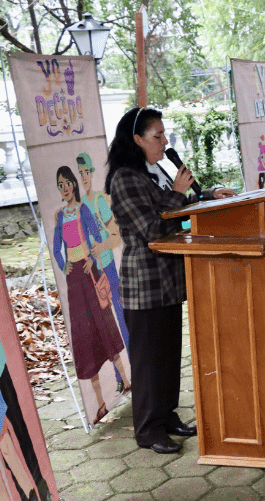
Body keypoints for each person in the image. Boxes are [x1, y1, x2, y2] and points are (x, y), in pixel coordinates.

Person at [106, 106, 236, 454]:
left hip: (166, 280)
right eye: (157, 136)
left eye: (164, 134)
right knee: (149, 361)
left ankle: (166, 417)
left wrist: (205, 196)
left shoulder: (149, 173)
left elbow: (170, 208)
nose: (165, 142)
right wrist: (180, 194)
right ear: (136, 139)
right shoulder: (124, 178)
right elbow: (152, 228)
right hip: (144, 282)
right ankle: (148, 430)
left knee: (167, 355)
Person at [53, 166, 130, 422]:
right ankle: (99, 404)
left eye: (67, 184)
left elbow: (97, 235)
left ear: (74, 185)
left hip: (90, 274)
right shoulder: (59, 216)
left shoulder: (83, 209)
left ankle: (127, 381)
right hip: (74, 282)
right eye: (60, 185)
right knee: (85, 339)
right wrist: (65, 265)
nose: (64, 189)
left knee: (105, 326)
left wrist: (91, 257)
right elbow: (56, 248)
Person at [75, 152, 128, 391]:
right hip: (91, 273)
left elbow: (116, 236)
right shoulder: (77, 207)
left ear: (92, 173)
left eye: (87, 172)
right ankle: (119, 376)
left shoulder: (99, 201)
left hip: (107, 266)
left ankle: (134, 367)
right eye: (81, 174)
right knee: (105, 324)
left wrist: (101, 246)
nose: (84, 177)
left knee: (121, 318)